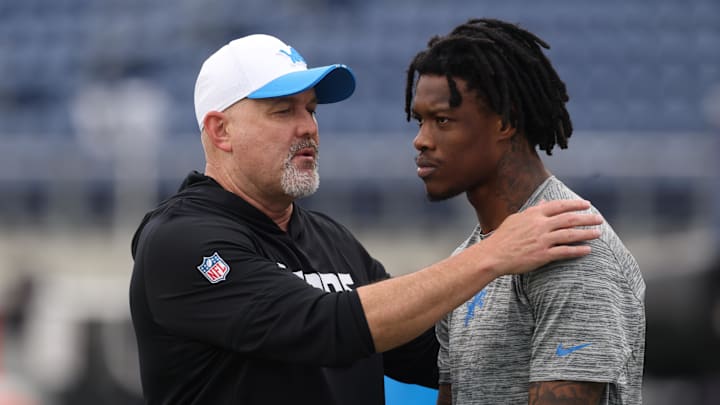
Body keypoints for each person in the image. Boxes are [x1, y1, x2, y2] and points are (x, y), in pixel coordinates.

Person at [128, 33, 603, 405]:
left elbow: (434, 354)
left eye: (311, 110)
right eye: (282, 111)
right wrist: (492, 255)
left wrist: (568, 327)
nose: (308, 127)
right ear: (220, 130)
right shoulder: (181, 241)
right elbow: (323, 326)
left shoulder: (329, 238)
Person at [404, 18, 646, 404]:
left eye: (442, 120)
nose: (421, 140)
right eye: (420, 121)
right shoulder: (468, 261)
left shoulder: (573, 248)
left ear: (505, 122)